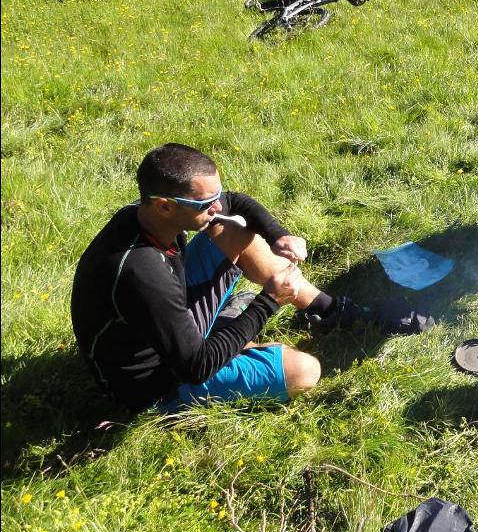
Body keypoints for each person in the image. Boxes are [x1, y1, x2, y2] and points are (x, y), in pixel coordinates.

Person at [70, 143, 371, 413]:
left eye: (215, 195)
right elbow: (195, 367)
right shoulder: (143, 273)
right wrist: (269, 301)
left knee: (232, 227)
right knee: (305, 371)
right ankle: (231, 338)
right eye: (205, 203)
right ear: (165, 206)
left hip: (168, 326)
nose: (216, 206)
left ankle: (330, 311)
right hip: (157, 384)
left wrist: (279, 235)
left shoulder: (145, 214)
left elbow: (235, 202)